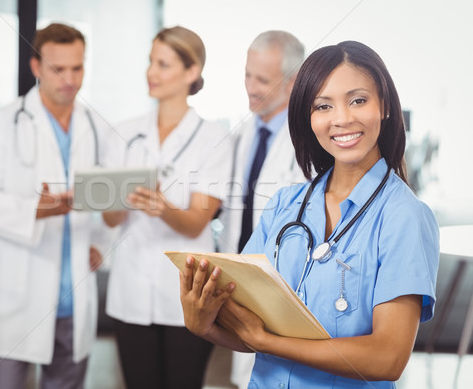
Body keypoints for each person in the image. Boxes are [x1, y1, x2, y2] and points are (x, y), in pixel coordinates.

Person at [179, 41, 439, 388]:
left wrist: (268, 342)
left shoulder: (404, 216)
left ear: (385, 106)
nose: (342, 118)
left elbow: (387, 357)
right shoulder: (285, 205)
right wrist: (205, 324)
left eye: (358, 100)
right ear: (309, 117)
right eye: (323, 106)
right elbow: (245, 328)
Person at [0, 23, 110, 389]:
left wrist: (100, 241)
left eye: (77, 68)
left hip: (72, 300)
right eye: (57, 69)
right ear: (35, 67)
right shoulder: (2, 125)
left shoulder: (94, 126)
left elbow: (109, 194)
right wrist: (36, 210)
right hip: (16, 297)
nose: (70, 79)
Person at [102, 26, 232, 389]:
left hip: (187, 294)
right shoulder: (124, 133)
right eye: (150, 62)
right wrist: (120, 199)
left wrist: (162, 206)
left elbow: (195, 224)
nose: (151, 72)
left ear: (191, 73)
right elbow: (110, 218)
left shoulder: (213, 138)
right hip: (130, 290)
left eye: (163, 64)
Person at [217, 30, 306, 389]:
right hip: (239, 278)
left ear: (293, 81)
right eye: (247, 76)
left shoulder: (306, 139)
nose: (252, 88)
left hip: (282, 285)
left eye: (263, 80)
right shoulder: (240, 134)